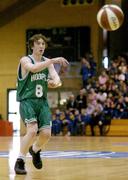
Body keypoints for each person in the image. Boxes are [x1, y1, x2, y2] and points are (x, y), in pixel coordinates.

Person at [14, 34, 69, 174]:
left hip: (42, 102)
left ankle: (35, 150)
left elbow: (56, 79)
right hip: (28, 101)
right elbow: (33, 68)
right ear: (32, 46)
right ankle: (20, 160)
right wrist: (53, 60)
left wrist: (55, 82)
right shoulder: (25, 60)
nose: (41, 46)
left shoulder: (47, 62)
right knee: (32, 131)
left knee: (46, 134)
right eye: (38, 43)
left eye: (43, 44)